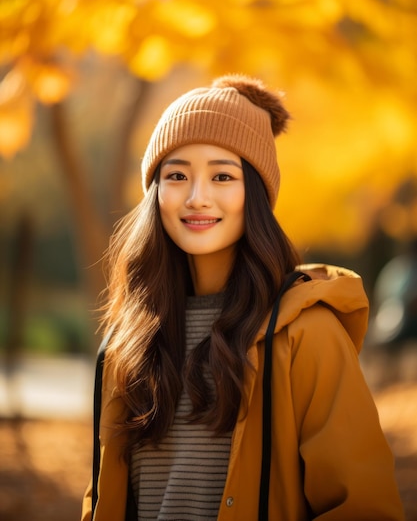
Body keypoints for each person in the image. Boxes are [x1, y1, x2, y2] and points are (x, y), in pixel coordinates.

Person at [81, 74, 404, 521]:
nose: (197, 197)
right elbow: (104, 498)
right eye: (176, 175)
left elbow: (364, 507)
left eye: (222, 176)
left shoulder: (308, 335)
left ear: (254, 193)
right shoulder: (129, 343)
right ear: (155, 195)